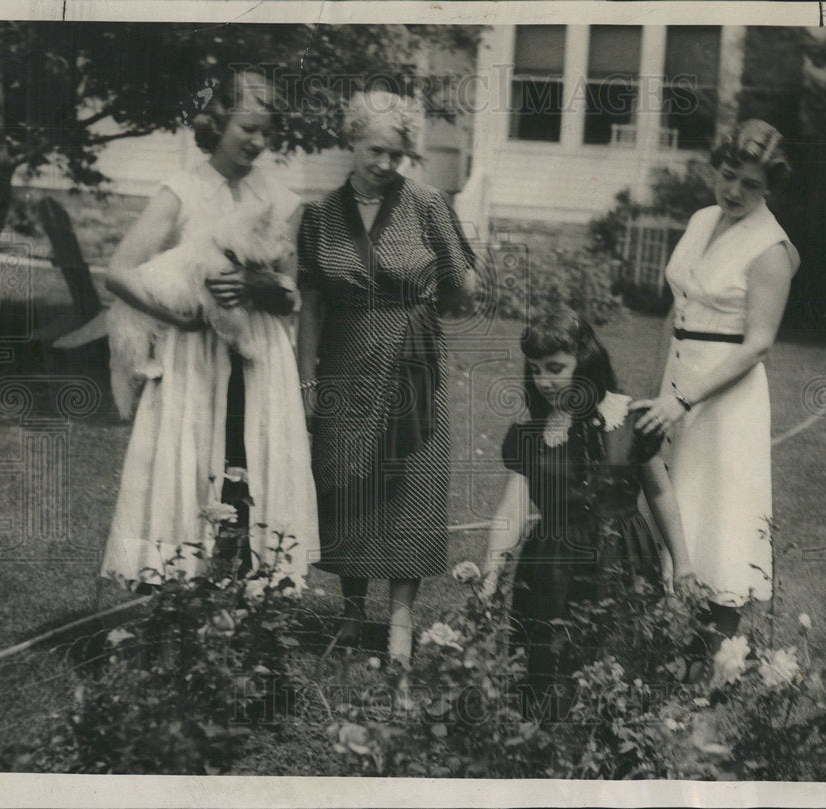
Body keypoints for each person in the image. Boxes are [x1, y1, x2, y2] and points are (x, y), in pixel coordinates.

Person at [101, 70, 319, 587]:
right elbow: (119, 271)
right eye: (247, 128)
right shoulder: (182, 190)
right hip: (194, 356)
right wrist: (175, 314)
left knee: (252, 463)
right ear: (217, 122)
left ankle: (254, 594)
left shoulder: (282, 202)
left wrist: (255, 284)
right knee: (191, 460)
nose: (257, 142)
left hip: (258, 356)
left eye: (266, 132)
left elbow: (292, 295)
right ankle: (177, 590)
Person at [297, 90, 476, 667]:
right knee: (348, 478)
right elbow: (312, 306)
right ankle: (352, 613)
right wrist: (306, 382)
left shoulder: (426, 204)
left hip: (410, 363)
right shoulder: (321, 215)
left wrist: (418, 310)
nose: (384, 164)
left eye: (396, 154)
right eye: (375, 150)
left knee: (410, 483)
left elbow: (464, 284)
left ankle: (399, 624)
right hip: (345, 362)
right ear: (351, 140)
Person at [631, 120, 800, 674]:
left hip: (727, 399)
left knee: (720, 518)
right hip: (676, 385)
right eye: (729, 176)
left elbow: (757, 346)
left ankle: (714, 664)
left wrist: (684, 401)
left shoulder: (771, 250)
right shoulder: (702, 220)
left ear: (768, 190)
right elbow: (676, 313)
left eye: (749, 186)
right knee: (666, 506)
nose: (734, 192)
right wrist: (659, 393)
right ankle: (661, 652)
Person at [481, 308, 693, 712]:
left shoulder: (629, 419)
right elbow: (512, 508)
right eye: (537, 370)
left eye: (556, 368)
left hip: (623, 558)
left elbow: (660, 493)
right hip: (553, 565)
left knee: (620, 653)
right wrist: (491, 570)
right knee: (553, 662)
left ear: (585, 360)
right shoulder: (533, 435)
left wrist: (680, 562)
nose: (545, 380)